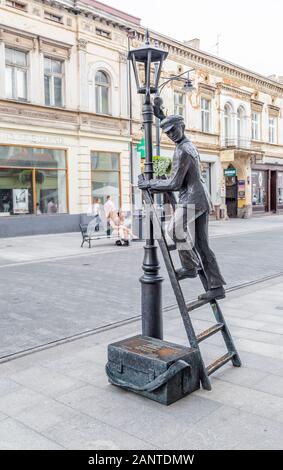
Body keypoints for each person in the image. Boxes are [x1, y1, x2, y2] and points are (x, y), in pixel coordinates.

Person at [138, 98, 226, 302]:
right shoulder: (187, 144)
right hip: (200, 197)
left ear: (182, 127)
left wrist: (150, 184)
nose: (170, 135)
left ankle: (190, 266)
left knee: (174, 229)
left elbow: (175, 183)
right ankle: (217, 286)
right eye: (167, 133)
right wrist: (161, 115)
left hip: (193, 198)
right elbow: (178, 179)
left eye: (173, 131)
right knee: (203, 246)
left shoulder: (182, 151)